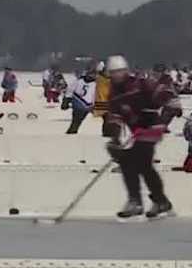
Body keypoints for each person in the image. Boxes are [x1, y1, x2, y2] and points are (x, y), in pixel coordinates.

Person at [105, 55, 180, 219]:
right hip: (137, 130)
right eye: (113, 73)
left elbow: (168, 97)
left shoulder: (141, 84)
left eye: (120, 71)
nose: (117, 76)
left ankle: (140, 201)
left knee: (139, 159)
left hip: (153, 126)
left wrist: (166, 114)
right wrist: (116, 137)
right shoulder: (114, 94)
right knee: (132, 162)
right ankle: (157, 201)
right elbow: (115, 117)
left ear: (126, 71)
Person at [63, 68, 95, 134]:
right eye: (90, 74)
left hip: (87, 105)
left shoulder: (95, 84)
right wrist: (66, 101)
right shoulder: (78, 81)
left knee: (79, 120)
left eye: (93, 75)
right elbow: (70, 90)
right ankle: (72, 132)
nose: (91, 76)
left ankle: (72, 131)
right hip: (77, 103)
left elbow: (95, 95)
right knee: (76, 120)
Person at [93, 61, 112, 136]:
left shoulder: (102, 79)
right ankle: (106, 132)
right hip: (102, 100)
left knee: (107, 118)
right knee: (106, 117)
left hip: (107, 100)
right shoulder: (100, 79)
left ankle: (106, 132)